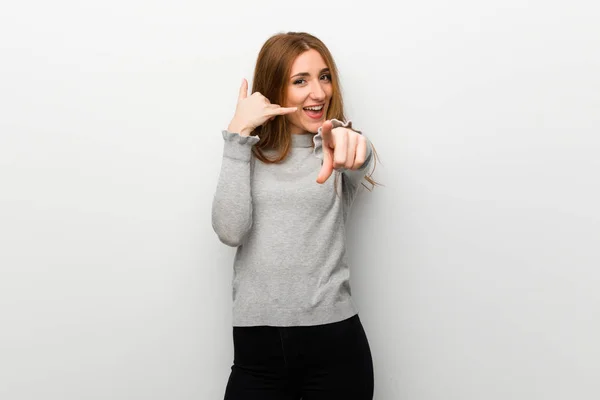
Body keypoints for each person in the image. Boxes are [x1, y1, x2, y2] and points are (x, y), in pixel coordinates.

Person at [212, 31, 379, 400]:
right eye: (300, 81)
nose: (318, 93)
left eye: (324, 76)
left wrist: (357, 146)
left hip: (336, 346)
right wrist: (238, 134)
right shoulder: (245, 155)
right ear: (274, 89)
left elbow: (358, 156)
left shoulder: (335, 145)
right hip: (257, 353)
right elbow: (229, 230)